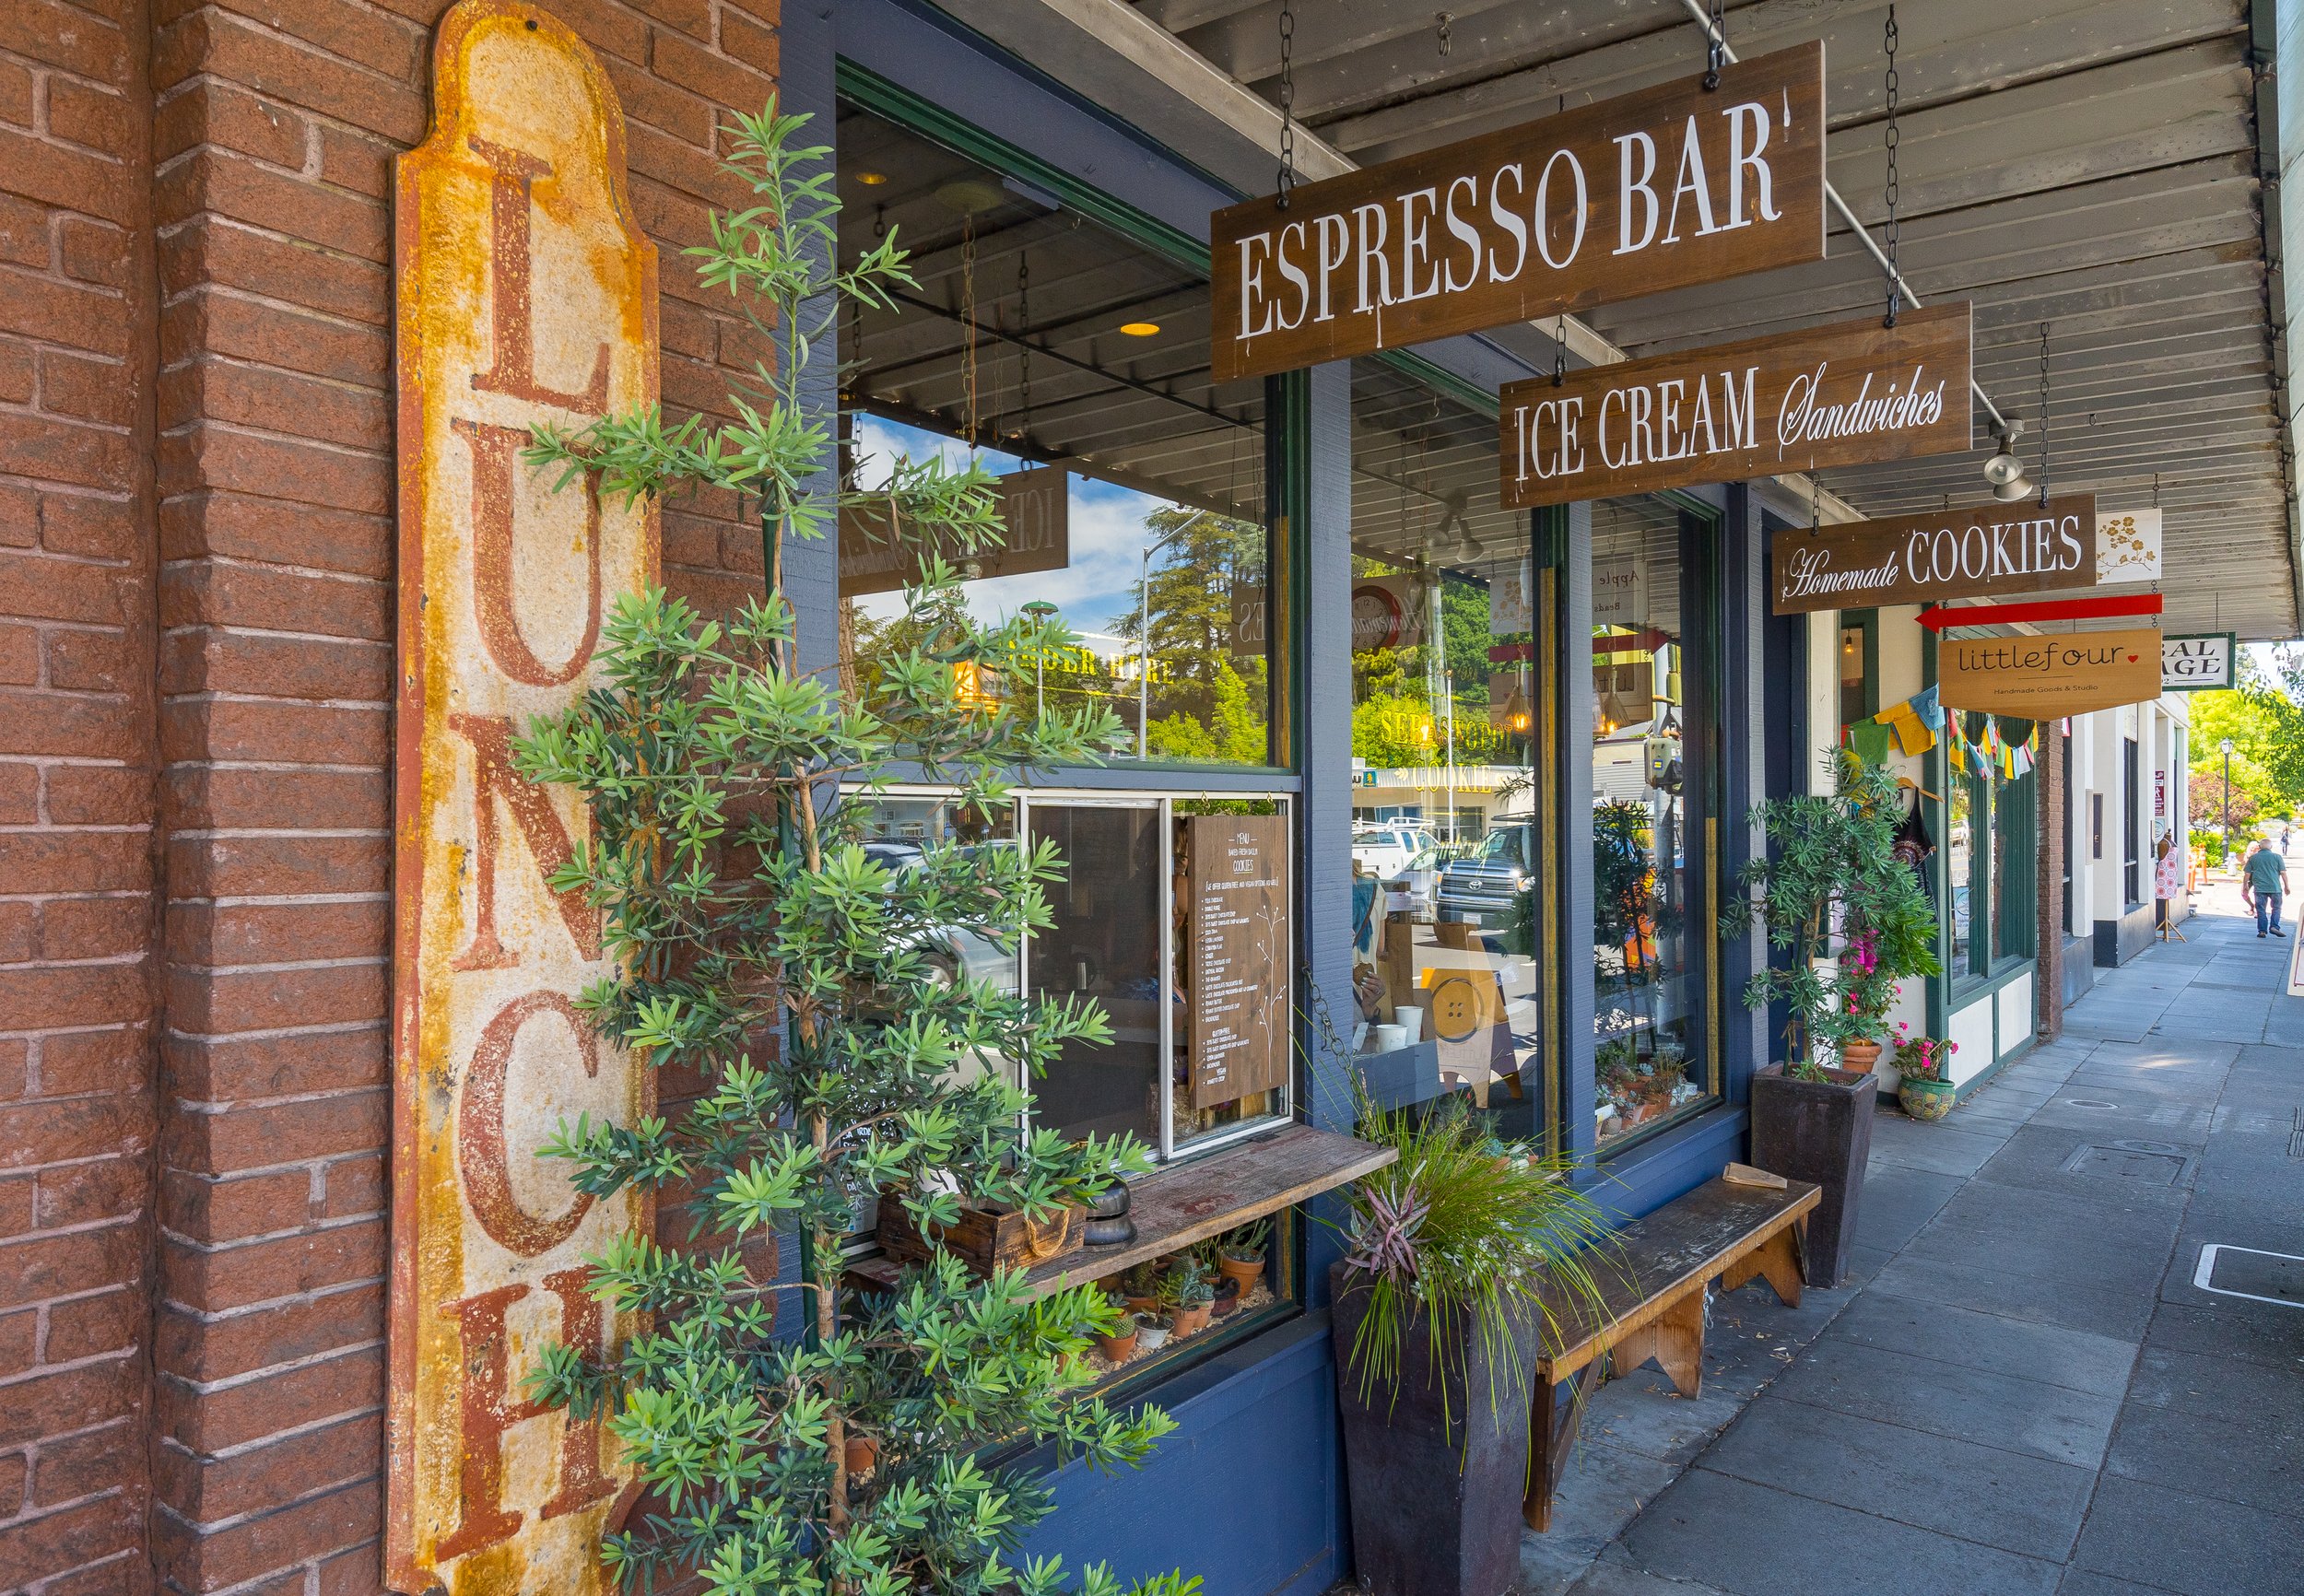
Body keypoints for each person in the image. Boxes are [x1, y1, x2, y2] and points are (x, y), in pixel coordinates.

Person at [2246, 835, 2289, 937]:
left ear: (2259, 847)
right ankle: (2274, 926)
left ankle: (2262, 931)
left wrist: (2245, 885)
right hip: (2275, 888)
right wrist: (2287, 886)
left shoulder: (2253, 858)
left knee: (2261, 909)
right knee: (2276, 908)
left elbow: (2247, 874)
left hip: (2260, 888)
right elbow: (2283, 873)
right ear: (2271, 847)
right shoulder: (2277, 857)